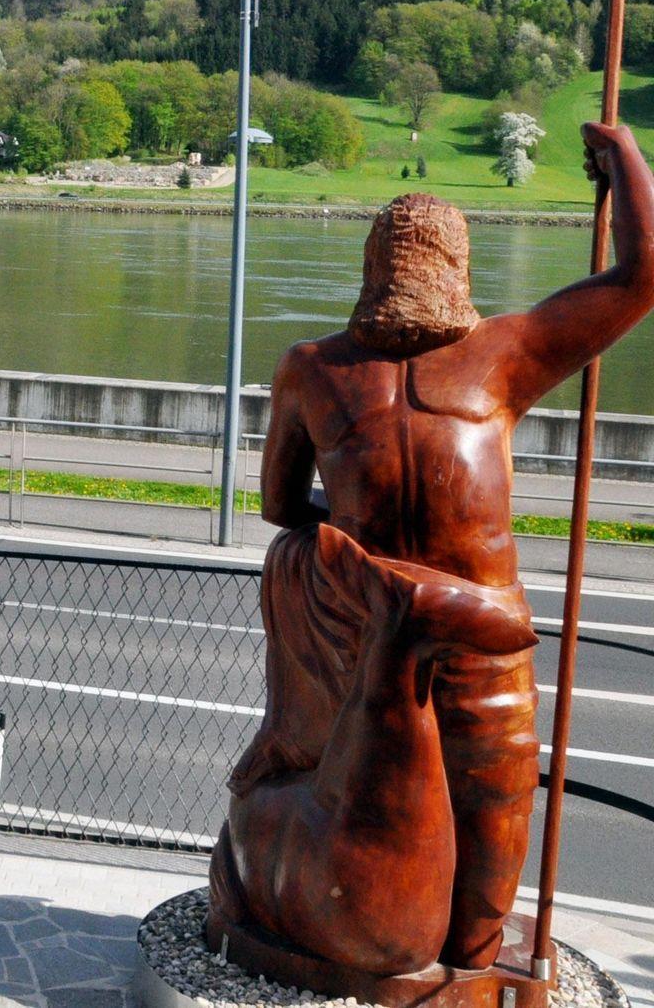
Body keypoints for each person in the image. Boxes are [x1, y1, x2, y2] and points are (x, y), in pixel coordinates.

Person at [213, 121, 654, 975]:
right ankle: (441, 955)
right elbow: (642, 275)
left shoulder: (319, 367)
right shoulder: (502, 354)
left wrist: (353, 541)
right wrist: (626, 158)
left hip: (404, 639)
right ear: (459, 268)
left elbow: (280, 506)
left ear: (371, 268)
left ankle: (429, 954)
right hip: (435, 639)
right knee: (477, 823)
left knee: (398, 832)